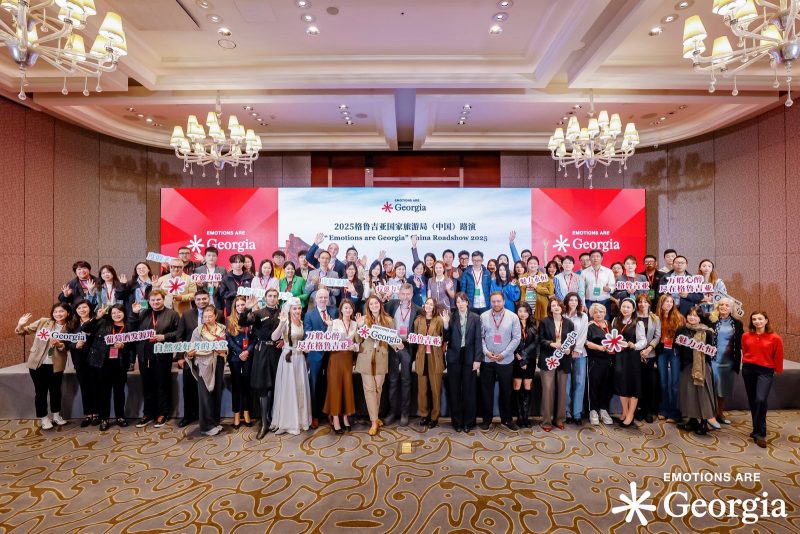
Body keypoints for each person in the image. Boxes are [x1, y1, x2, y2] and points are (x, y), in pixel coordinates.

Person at [15, 303, 75, 430]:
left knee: (55, 391)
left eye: (61, 311)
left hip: (56, 364)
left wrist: (60, 345)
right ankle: (44, 418)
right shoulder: (43, 322)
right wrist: (20, 324)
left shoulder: (71, 327)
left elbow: (69, 346)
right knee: (40, 391)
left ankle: (56, 415)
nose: (58, 314)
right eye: (55, 311)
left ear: (68, 313)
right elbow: (22, 332)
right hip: (38, 363)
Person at [176, 290, 223, 428]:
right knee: (188, 387)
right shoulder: (186, 315)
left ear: (209, 298)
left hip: (211, 359)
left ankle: (211, 418)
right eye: (198, 299)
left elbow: (222, 336)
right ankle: (188, 416)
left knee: (210, 390)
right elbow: (180, 336)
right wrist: (181, 356)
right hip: (191, 356)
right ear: (194, 300)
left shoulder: (219, 313)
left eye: (204, 298)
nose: (202, 301)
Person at [133, 289, 179, 428]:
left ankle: (163, 413)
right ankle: (148, 413)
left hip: (162, 355)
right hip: (144, 355)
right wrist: (133, 314)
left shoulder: (172, 314)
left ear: (163, 299)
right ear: (149, 301)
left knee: (162, 384)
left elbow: (179, 332)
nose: (155, 302)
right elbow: (132, 329)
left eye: (158, 299)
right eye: (152, 300)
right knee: (147, 385)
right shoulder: (143, 313)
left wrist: (164, 337)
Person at [239, 289, 281, 439]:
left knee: (274, 386)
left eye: (275, 296)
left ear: (278, 298)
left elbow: (287, 330)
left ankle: (271, 418)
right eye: (270, 296)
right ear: (265, 297)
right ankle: (264, 423)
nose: (272, 298)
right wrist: (247, 309)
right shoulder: (258, 313)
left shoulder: (282, 312)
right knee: (263, 387)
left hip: (277, 352)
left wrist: (284, 340)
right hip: (262, 351)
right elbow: (242, 322)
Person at [84, 304, 134, 430]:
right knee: (104, 393)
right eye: (113, 313)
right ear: (110, 314)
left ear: (124, 313)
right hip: (103, 364)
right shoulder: (103, 323)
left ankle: (120, 417)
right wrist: (97, 317)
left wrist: (124, 346)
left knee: (119, 392)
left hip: (120, 365)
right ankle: (104, 418)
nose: (116, 315)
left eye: (119, 312)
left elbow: (134, 344)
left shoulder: (128, 327)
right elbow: (85, 328)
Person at [479, 292, 522, 431]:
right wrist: (486, 352)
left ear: (503, 301)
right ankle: (486, 420)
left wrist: (504, 354)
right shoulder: (483, 316)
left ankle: (507, 419)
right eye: (493, 301)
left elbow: (516, 338)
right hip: (488, 359)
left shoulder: (513, 317)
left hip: (506, 360)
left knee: (506, 391)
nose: (496, 304)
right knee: (486, 391)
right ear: (490, 302)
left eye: (498, 301)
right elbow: (480, 337)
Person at [741, 310, 784, 448]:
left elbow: (778, 355)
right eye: (754, 319)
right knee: (753, 400)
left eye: (760, 319)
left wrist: (777, 370)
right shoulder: (746, 336)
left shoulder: (775, 338)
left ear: (766, 321)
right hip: (748, 370)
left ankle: (760, 434)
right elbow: (745, 351)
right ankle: (756, 429)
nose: (757, 321)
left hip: (765, 371)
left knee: (760, 399)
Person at [270, 297, 312, 435]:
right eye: (295, 308)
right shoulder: (286, 322)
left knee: (299, 388)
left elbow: (302, 341)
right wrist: (281, 323)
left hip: (300, 358)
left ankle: (299, 420)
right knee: (288, 390)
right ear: (290, 309)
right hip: (288, 359)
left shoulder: (301, 322)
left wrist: (306, 348)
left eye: (299, 308)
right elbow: (274, 337)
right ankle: (287, 422)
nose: (298, 311)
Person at [355, 295, 395, 436]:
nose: (374, 306)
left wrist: (399, 345)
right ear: (368, 306)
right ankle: (373, 421)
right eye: (371, 304)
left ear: (380, 304)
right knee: (369, 389)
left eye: (376, 303)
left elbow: (393, 339)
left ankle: (375, 417)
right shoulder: (363, 320)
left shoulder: (388, 320)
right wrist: (359, 326)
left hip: (381, 358)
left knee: (378, 388)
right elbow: (357, 340)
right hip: (366, 357)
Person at [186, 305, 228, 436]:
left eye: (210, 316)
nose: (208, 319)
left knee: (216, 392)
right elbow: (191, 348)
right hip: (203, 363)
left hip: (218, 362)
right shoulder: (198, 331)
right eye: (205, 316)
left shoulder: (222, 328)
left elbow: (225, 347)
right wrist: (190, 354)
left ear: (215, 316)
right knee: (205, 395)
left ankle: (214, 422)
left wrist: (221, 349)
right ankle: (206, 426)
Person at [675, 306, 718, 435]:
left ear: (700, 318)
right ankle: (692, 420)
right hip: (686, 366)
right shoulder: (681, 330)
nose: (692, 317)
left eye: (695, 315)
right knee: (689, 394)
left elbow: (711, 352)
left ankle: (704, 422)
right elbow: (676, 347)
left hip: (702, 367)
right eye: (690, 315)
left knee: (702, 395)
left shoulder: (707, 332)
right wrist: (678, 344)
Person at [384, 284, 421, 426]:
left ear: (412, 294)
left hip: (407, 347)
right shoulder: (391, 305)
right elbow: (377, 311)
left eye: (408, 294)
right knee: (393, 380)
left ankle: (405, 413)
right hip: (393, 345)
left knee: (406, 380)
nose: (405, 297)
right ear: (399, 294)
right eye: (403, 294)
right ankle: (392, 412)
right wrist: (383, 298)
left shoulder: (418, 309)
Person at [538, 297, 577, 431]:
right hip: (548, 359)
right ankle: (546, 421)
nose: (556, 307)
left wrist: (569, 349)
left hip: (563, 360)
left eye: (558, 305)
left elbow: (573, 341)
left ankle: (559, 419)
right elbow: (540, 339)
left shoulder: (569, 323)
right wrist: (551, 344)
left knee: (562, 390)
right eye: (553, 305)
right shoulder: (544, 322)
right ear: (550, 308)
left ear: (562, 307)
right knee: (548, 390)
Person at [445, 292, 482, 432]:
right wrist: (445, 325)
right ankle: (457, 422)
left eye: (462, 301)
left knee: (469, 391)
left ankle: (469, 422)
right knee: (454, 390)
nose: (460, 304)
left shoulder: (475, 318)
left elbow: (478, 339)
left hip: (469, 357)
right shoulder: (451, 317)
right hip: (454, 357)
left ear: (467, 302)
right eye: (458, 302)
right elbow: (446, 338)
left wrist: (477, 359)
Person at [303, 288, 339, 429]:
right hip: (315, 354)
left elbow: (338, 331)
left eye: (325, 297)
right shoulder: (309, 315)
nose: (323, 300)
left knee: (331, 384)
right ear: (315, 299)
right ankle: (315, 415)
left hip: (332, 354)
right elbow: (307, 333)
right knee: (315, 384)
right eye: (320, 297)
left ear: (328, 299)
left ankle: (331, 413)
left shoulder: (334, 312)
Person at [323, 299, 358, 434]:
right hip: (336, 357)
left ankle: (345, 416)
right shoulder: (335, 322)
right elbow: (327, 339)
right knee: (335, 388)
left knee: (347, 387)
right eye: (345, 308)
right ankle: (335, 417)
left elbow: (358, 343)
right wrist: (329, 326)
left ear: (352, 310)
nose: (348, 310)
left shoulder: (355, 324)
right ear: (341, 310)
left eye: (350, 308)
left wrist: (354, 347)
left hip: (348, 358)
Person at [413, 298, 448, 429]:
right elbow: (415, 337)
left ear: (434, 307)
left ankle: (434, 417)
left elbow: (445, 337)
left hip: (435, 357)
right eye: (427, 303)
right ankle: (424, 414)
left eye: (431, 304)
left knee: (435, 389)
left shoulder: (439, 320)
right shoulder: (418, 320)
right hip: (422, 357)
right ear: (424, 306)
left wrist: (444, 329)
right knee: (422, 390)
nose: (428, 306)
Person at [612, 298, 647, 428]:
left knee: (632, 386)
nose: (625, 309)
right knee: (622, 385)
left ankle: (630, 415)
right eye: (623, 306)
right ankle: (625, 412)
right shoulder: (615, 320)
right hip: (619, 356)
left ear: (633, 309)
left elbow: (643, 341)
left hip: (632, 356)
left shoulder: (638, 322)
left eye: (628, 307)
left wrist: (635, 345)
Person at [709, 297, 743, 425]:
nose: (723, 307)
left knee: (723, 390)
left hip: (728, 362)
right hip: (712, 361)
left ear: (731, 309)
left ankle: (720, 413)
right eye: (721, 304)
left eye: (727, 305)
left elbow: (741, 341)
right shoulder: (711, 321)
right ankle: (710, 414)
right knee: (711, 389)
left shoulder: (737, 323)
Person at [584, 303, 614, 426]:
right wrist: (599, 348)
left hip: (609, 361)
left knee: (606, 386)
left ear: (605, 313)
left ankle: (603, 409)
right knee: (594, 386)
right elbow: (585, 342)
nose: (598, 314)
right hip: (595, 360)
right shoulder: (589, 326)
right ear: (591, 314)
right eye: (595, 312)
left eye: (601, 311)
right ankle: (593, 410)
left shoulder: (609, 324)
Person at [633, 294, 661, 424]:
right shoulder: (633, 317)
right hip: (635, 355)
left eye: (645, 302)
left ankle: (649, 410)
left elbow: (657, 336)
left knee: (650, 383)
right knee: (638, 383)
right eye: (640, 302)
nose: (642, 304)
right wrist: (639, 351)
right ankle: (639, 409)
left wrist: (648, 349)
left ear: (649, 303)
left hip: (650, 354)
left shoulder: (655, 318)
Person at [71, 299, 99, 427]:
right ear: (76, 311)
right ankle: (88, 414)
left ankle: (96, 413)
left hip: (94, 359)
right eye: (79, 308)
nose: (82, 310)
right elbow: (67, 342)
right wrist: (75, 345)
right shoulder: (73, 324)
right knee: (84, 387)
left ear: (90, 308)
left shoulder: (97, 321)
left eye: (84, 307)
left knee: (95, 386)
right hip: (79, 360)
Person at [656, 294, 684, 422]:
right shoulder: (656, 317)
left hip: (675, 351)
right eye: (666, 301)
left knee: (674, 383)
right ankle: (663, 409)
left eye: (671, 302)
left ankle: (674, 412)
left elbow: (684, 335)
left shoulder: (679, 317)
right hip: (662, 351)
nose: (669, 304)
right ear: (661, 303)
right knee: (663, 382)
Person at [226, 296, 253, 429]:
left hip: (248, 356)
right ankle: (236, 414)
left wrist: (247, 351)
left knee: (247, 385)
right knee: (236, 386)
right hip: (235, 357)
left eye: (243, 304)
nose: (241, 307)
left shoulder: (251, 318)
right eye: (238, 305)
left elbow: (255, 338)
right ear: (234, 307)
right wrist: (239, 352)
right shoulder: (229, 320)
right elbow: (229, 339)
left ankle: (246, 412)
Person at [564, 292, 588, 425]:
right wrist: (566, 349)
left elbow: (583, 334)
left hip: (580, 354)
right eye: (571, 300)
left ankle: (577, 413)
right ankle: (567, 412)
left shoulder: (583, 316)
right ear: (566, 302)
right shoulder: (562, 315)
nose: (573, 302)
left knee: (579, 383)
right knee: (566, 384)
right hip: (564, 353)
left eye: (575, 300)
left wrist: (576, 349)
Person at [512, 302, 538, 428]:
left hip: (529, 360)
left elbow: (535, 343)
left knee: (527, 386)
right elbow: (511, 341)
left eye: (525, 311)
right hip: (516, 359)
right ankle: (519, 417)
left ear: (529, 312)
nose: (522, 314)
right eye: (520, 311)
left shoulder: (534, 325)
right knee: (517, 386)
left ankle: (526, 417)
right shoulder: (513, 324)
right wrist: (518, 355)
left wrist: (524, 357)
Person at [581, 250, 615, 318]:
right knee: (590, 321)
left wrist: (609, 289)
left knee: (605, 321)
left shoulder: (608, 272)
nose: (595, 258)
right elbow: (581, 289)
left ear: (602, 258)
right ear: (590, 258)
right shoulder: (584, 272)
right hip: (589, 302)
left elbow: (613, 287)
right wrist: (583, 304)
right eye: (593, 256)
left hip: (604, 301)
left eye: (598, 256)